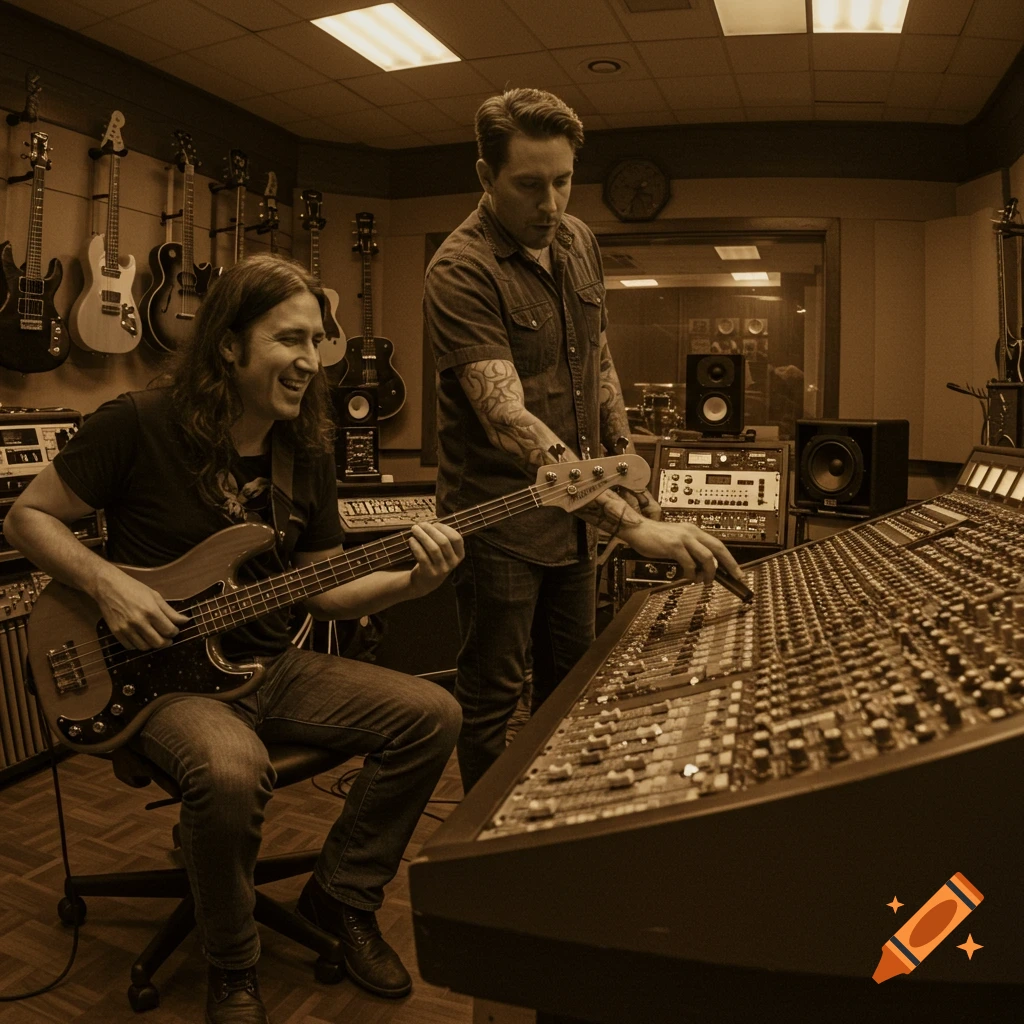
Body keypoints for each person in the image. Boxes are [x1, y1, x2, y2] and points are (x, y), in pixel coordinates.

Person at [4, 255, 464, 1024]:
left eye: (318, 341)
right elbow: (26, 518)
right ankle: (233, 962)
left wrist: (411, 584)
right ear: (228, 344)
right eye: (290, 340)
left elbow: (321, 584)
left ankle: (340, 897)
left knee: (433, 715)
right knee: (229, 769)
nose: (312, 361)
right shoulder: (138, 422)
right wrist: (109, 584)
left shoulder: (305, 447)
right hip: (151, 679)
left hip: (268, 663)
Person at [423, 88, 744, 793]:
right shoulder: (460, 269)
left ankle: (551, 825)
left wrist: (632, 476)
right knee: (493, 700)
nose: (551, 204)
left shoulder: (577, 241)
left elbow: (596, 360)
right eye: (529, 185)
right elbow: (510, 421)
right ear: (486, 177)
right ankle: (483, 854)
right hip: (501, 522)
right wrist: (631, 526)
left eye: (563, 181)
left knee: (570, 688)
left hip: (580, 522)